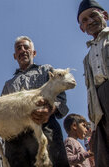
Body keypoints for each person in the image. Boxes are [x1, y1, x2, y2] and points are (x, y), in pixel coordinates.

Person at [0, 36, 69, 167]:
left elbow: (61, 99)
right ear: (15, 56)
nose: (22, 50)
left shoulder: (47, 70)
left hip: (45, 128)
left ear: (33, 53)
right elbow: (1, 112)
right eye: (19, 48)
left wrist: (49, 110)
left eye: (26, 47)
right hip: (15, 139)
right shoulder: (8, 84)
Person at [77, 0, 109, 166]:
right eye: (84, 20)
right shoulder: (87, 58)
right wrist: (94, 125)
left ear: (105, 15)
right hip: (100, 110)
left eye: (93, 15)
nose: (89, 21)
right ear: (82, 29)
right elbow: (91, 91)